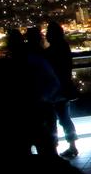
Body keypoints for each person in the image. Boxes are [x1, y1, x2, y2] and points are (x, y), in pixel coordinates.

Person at [24, 26, 62, 158]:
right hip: (44, 101)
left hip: (34, 102)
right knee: (50, 133)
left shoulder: (28, 57)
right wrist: (46, 97)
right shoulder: (42, 56)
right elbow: (53, 80)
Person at [46, 21, 80, 159]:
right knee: (65, 118)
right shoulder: (64, 47)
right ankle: (72, 146)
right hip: (64, 88)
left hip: (54, 90)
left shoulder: (51, 51)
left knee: (54, 120)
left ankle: (54, 148)